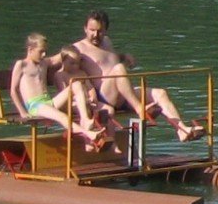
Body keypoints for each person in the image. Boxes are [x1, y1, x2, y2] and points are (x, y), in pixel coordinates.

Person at [67, 11, 204, 141]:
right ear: (85, 28)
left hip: (124, 94)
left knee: (160, 94)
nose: (96, 35)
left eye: (100, 31)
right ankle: (140, 109)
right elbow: (57, 61)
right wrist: (44, 66)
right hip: (105, 97)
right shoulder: (78, 48)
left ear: (106, 30)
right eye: (92, 30)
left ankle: (181, 130)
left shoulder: (107, 41)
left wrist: (123, 56)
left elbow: (106, 58)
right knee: (119, 68)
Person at [9, 34, 112, 150]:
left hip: (49, 102)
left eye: (45, 52)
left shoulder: (43, 63)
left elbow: (60, 56)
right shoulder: (21, 65)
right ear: (30, 49)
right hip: (35, 105)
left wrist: (83, 45)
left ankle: (85, 120)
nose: (44, 55)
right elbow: (13, 90)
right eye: (41, 52)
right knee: (62, 116)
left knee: (76, 84)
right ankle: (89, 134)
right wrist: (22, 112)